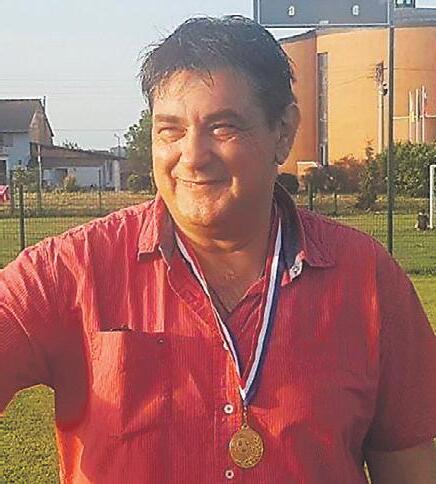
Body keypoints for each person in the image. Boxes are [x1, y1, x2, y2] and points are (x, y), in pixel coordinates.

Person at [1, 16, 435, 484]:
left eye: (223, 126)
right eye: (170, 131)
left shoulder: (365, 278)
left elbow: (407, 463)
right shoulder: (71, 272)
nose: (192, 156)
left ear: (283, 131)